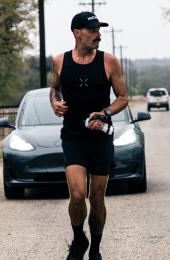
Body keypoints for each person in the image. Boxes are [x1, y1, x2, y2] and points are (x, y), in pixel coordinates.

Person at [50, 11, 129, 260]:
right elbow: (54, 89)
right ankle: (78, 240)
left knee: (96, 197)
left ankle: (95, 249)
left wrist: (105, 112)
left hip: (100, 139)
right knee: (76, 194)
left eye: (99, 30)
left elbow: (123, 98)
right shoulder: (60, 60)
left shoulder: (109, 62)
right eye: (93, 30)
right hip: (73, 137)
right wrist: (55, 102)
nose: (98, 35)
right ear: (77, 32)